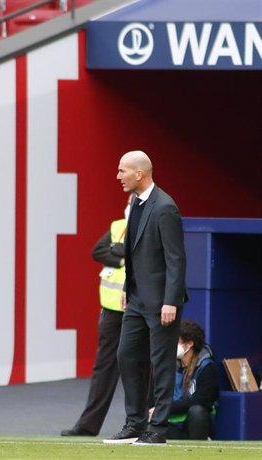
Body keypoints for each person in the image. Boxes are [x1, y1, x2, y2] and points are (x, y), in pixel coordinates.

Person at [104, 150, 188, 446]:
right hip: (137, 298)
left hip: (161, 302)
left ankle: (158, 430)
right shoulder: (136, 204)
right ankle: (135, 424)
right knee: (126, 355)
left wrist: (171, 301)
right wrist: (128, 287)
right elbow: (134, 252)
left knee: (162, 363)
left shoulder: (165, 207)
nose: (118, 176)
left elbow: (176, 259)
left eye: (122, 170)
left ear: (139, 173)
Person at [61, 201, 129, 437]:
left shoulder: (151, 228)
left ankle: (144, 423)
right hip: (111, 309)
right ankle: (88, 425)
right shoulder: (118, 226)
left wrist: (121, 250)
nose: (130, 205)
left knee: (141, 368)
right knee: (103, 368)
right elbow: (98, 251)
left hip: (137, 308)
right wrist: (122, 256)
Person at [153, 320, 219, 440]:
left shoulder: (206, 367)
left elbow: (201, 401)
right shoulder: (169, 366)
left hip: (193, 423)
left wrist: (166, 408)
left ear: (188, 344)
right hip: (171, 423)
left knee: (197, 412)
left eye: (175, 341)